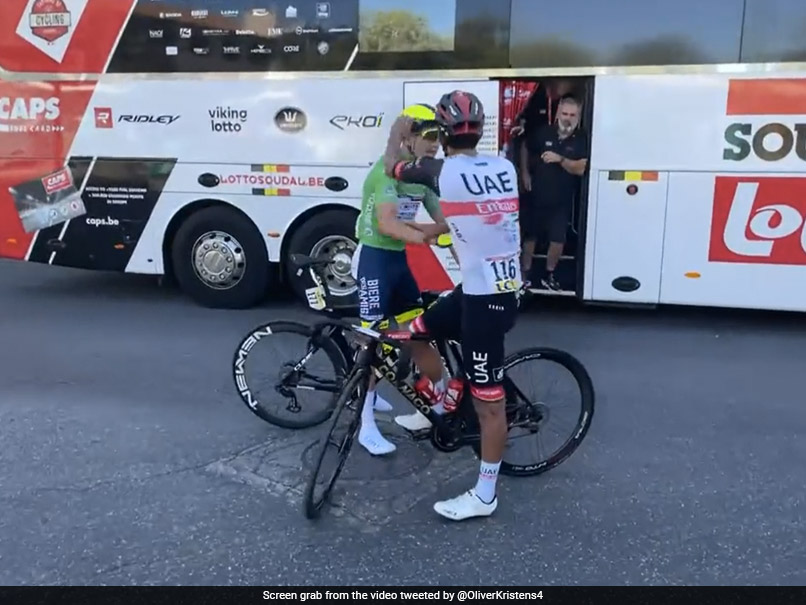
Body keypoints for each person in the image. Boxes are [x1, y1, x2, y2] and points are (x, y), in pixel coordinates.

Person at [382, 90, 521, 521]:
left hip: (489, 303)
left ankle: (485, 495)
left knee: (489, 405)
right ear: (479, 130)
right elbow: (480, 210)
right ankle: (440, 406)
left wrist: (398, 133)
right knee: (419, 330)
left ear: (442, 134)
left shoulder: (439, 171)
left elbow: (392, 167)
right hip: (488, 290)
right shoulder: (504, 166)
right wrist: (440, 226)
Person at [352, 103, 450, 456]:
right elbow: (387, 225)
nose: (434, 144)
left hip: (397, 260)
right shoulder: (386, 174)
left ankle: (437, 405)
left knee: (419, 335)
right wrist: (427, 233)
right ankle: (364, 424)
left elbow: (447, 222)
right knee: (373, 345)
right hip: (374, 259)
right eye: (427, 137)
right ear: (406, 139)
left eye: (438, 137)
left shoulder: (421, 177)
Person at [518, 95, 588, 291]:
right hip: (536, 196)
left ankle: (550, 275)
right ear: (557, 113)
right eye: (564, 113)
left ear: (579, 116)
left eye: (572, 115)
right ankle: (524, 276)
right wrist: (524, 173)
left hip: (562, 200)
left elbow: (582, 168)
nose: (567, 118)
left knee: (558, 240)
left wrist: (560, 159)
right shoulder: (544, 133)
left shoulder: (581, 138)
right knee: (530, 238)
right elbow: (525, 146)